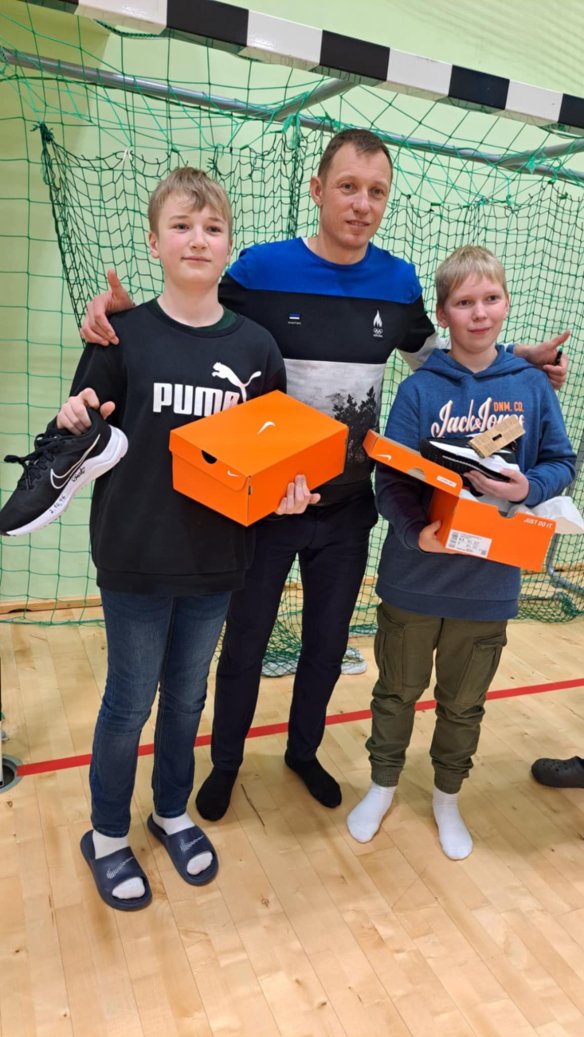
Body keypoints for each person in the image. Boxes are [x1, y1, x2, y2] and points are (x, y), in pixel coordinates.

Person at [81, 130, 569, 821]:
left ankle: (303, 751)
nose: (362, 204)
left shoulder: (398, 282)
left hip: (347, 508)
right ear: (317, 191)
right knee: (244, 642)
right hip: (266, 504)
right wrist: (119, 316)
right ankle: (225, 762)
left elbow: (438, 356)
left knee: (327, 644)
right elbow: (193, 312)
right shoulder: (260, 269)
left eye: (376, 191)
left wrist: (516, 358)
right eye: (347, 187)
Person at [54, 167, 294, 910]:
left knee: (187, 698)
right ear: (155, 242)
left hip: (216, 561)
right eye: (182, 226)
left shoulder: (257, 348)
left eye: (212, 227)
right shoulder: (119, 335)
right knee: (129, 703)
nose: (197, 239)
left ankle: (169, 812)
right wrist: (71, 421)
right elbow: (80, 434)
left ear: (229, 245)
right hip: (134, 555)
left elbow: (269, 457)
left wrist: (288, 491)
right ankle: (106, 833)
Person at [346, 245, 575, 859]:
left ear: (506, 303)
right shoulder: (420, 389)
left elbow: (562, 462)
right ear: (443, 315)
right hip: (416, 577)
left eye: (490, 299)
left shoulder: (530, 385)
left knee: (463, 703)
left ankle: (447, 797)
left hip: (489, 584)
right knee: (396, 693)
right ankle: (382, 785)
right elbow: (391, 478)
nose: (480, 313)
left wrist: (528, 488)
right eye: (465, 302)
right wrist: (413, 530)